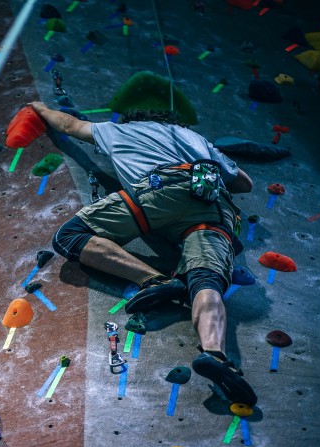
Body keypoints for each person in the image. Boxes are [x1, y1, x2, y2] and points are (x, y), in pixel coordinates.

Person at [30, 101, 257, 406]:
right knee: (206, 280)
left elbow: (69, 126)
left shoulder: (117, 130)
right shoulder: (197, 140)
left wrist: (41, 109)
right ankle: (215, 354)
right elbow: (244, 183)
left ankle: (153, 279)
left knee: (70, 236)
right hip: (215, 206)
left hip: (160, 191)